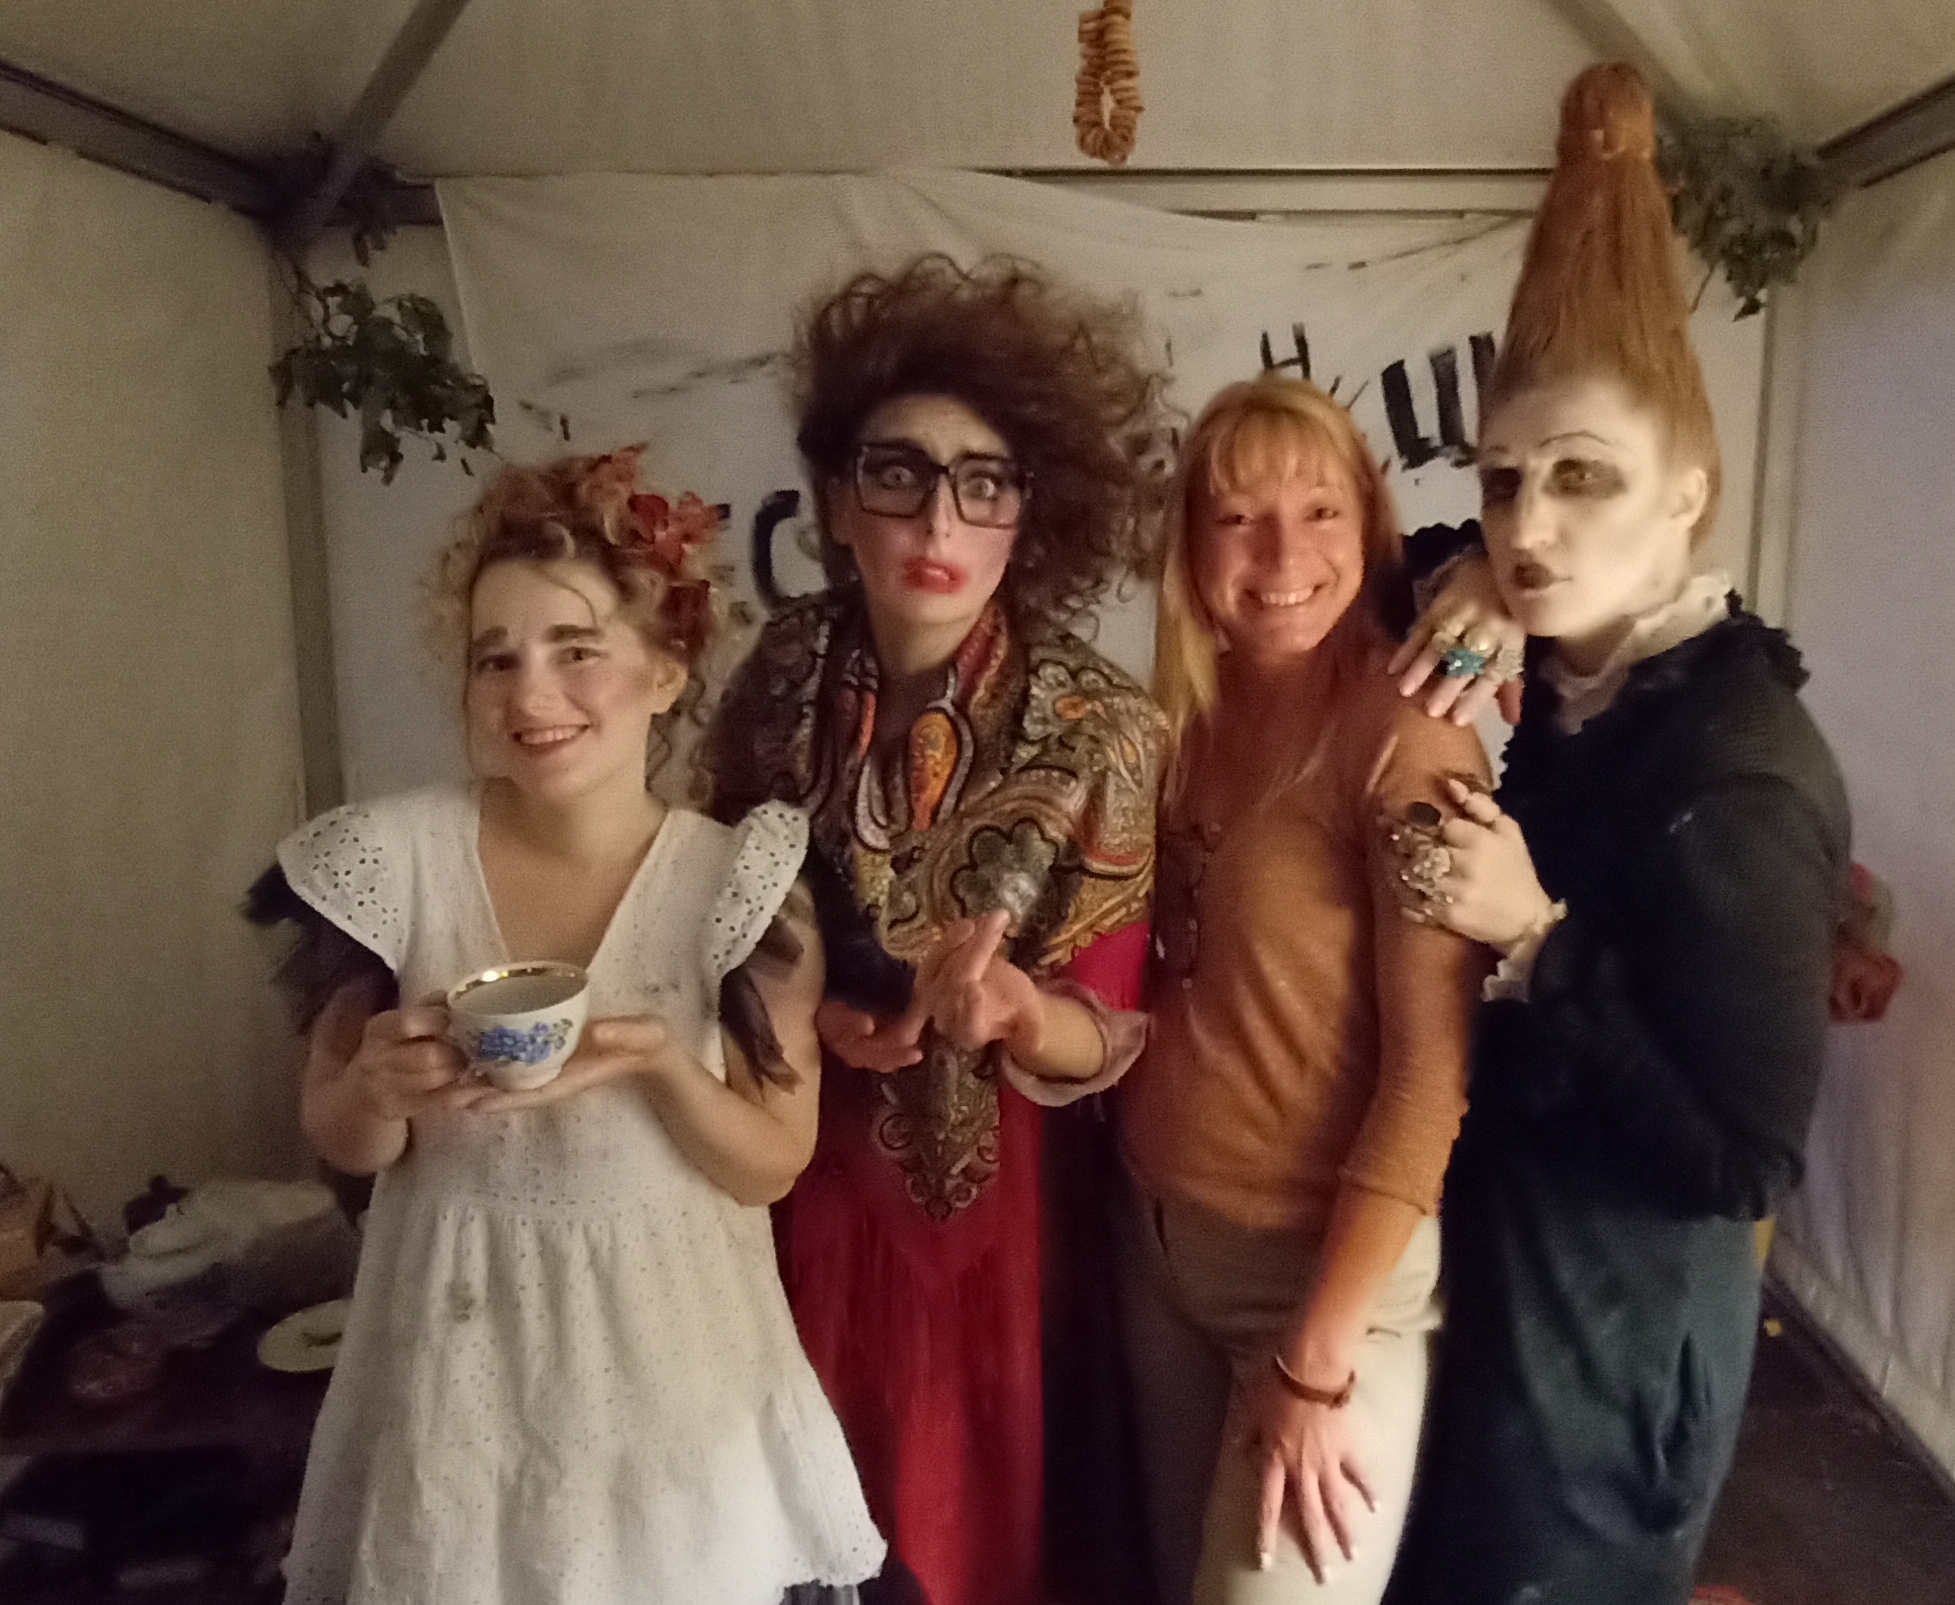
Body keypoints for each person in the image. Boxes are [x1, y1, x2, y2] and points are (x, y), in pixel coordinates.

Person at [249, 452, 885, 1605]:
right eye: (495, 656)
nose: (530, 691)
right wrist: (376, 1090)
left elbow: (772, 1162)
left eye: (575, 647)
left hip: (675, 1379)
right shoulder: (393, 863)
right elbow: (340, 1135)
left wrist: (660, 1064)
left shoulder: (739, 886)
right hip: (457, 1372)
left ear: (665, 670)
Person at [1379, 63, 1853, 1604]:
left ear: (1687, 495)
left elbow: (1739, 1161)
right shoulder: (1586, 675)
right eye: (1503, 482)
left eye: (1584, 478)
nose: (1531, 527)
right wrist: (1463, 571)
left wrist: (1536, 940)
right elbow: (1377, 568)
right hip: (1502, 1297)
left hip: (1616, 1358)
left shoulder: (1737, 773)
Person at [709, 256, 1169, 1605]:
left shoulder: (1104, 725)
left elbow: (1114, 1028)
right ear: (836, 497)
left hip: (996, 1238)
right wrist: (798, 1004)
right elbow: (711, 911)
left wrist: (1020, 1012)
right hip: (787, 1179)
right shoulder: (779, 672)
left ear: (1034, 511)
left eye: (985, 481)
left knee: (966, 1547)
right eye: (898, 472)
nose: (938, 518)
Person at [1115, 376, 1490, 1605]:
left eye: (1320, 511)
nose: (1282, 557)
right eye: (1238, 519)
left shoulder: (1408, 731)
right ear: (1191, 547)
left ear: (1369, 524)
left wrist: (1318, 1359)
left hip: (1324, 1282)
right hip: (1158, 1248)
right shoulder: (1183, 715)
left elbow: (1432, 1072)